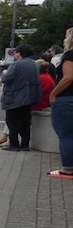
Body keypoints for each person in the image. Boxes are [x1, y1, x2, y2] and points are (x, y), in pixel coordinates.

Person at [0, 44, 42, 152]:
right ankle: (25, 144)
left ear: (19, 53)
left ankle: (14, 144)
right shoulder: (34, 64)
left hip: (14, 96)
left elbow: (6, 78)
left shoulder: (16, 65)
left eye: (16, 52)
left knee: (12, 121)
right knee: (25, 122)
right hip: (29, 97)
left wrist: (4, 74)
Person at [47, 27, 73, 178]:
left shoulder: (70, 55)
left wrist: (54, 92)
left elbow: (69, 77)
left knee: (66, 135)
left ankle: (68, 168)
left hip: (67, 99)